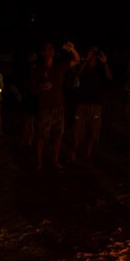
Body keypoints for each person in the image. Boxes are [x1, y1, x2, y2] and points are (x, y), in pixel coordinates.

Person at [29, 41, 80, 170]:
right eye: (47, 48)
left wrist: (72, 49)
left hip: (59, 107)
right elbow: (32, 90)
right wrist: (41, 88)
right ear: (43, 53)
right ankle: (39, 162)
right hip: (45, 108)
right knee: (41, 136)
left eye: (51, 48)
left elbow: (76, 59)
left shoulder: (59, 66)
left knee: (58, 135)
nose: (50, 50)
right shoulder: (38, 69)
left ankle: (55, 160)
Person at [70, 46, 112, 160]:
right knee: (78, 130)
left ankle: (88, 154)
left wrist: (105, 63)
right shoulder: (83, 66)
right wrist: (86, 60)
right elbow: (76, 75)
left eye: (95, 54)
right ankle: (73, 152)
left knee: (93, 131)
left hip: (96, 103)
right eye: (91, 54)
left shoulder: (100, 68)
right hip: (82, 102)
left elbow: (109, 77)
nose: (93, 56)